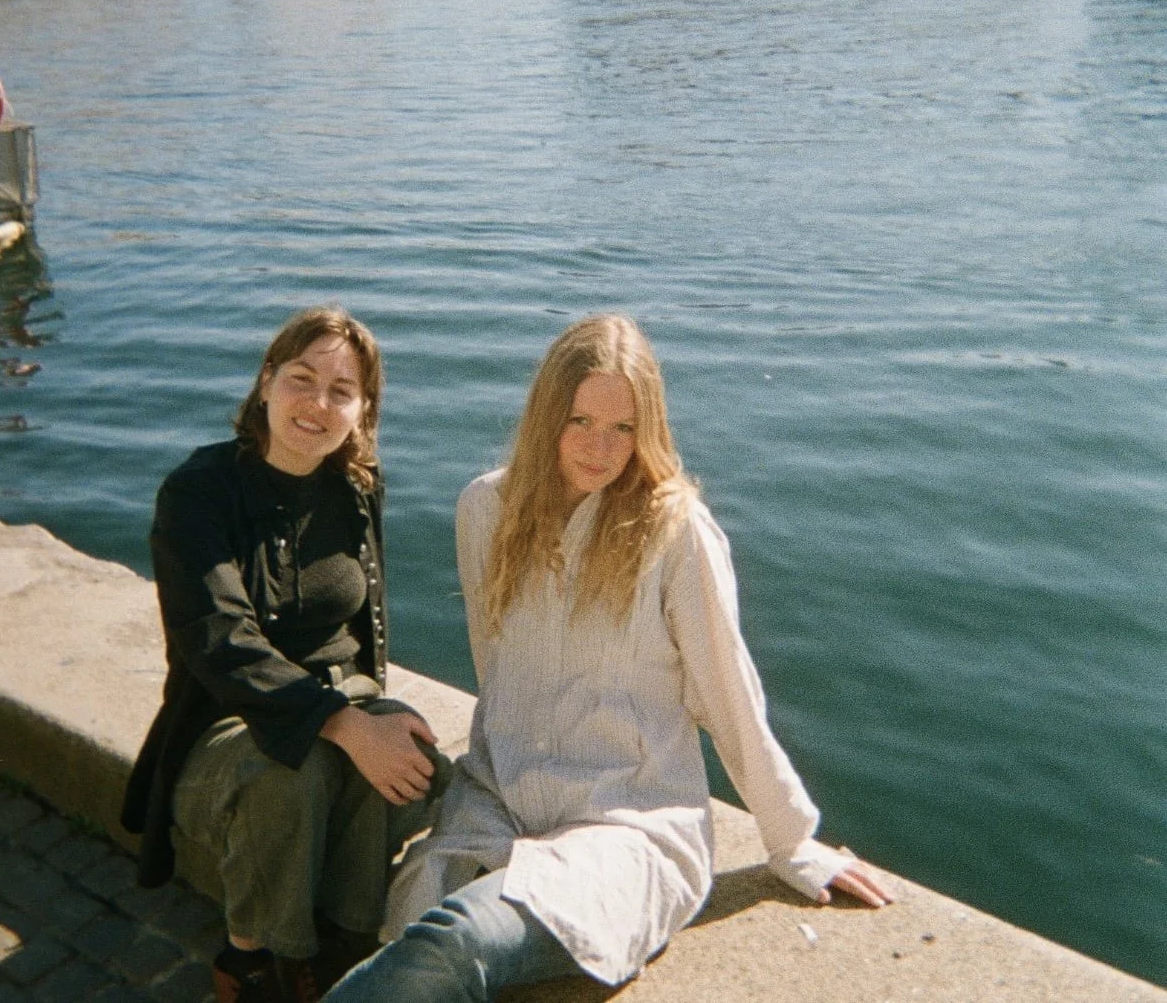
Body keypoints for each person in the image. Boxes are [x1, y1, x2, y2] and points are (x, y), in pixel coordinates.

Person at [326, 314, 892, 1002]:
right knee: (408, 924)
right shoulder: (486, 509)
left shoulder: (675, 533)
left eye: (623, 429)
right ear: (547, 416)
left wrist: (792, 839)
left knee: (458, 940)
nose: (601, 448)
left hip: (626, 827)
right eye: (581, 422)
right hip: (501, 801)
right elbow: (496, 667)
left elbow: (730, 697)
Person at [121, 307, 449, 1003]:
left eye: (342, 391)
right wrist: (345, 726)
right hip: (223, 726)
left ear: (362, 411)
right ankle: (255, 960)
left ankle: (344, 936)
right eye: (302, 378)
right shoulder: (198, 493)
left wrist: (373, 720)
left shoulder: (356, 488)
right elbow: (220, 638)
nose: (318, 403)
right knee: (289, 773)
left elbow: (365, 636)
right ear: (266, 381)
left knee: (415, 754)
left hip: (338, 701)